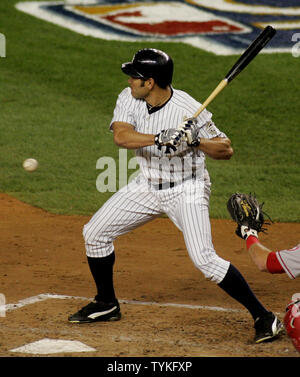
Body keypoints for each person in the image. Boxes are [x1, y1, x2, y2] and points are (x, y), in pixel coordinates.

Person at [68, 48, 283, 343]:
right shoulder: (128, 98)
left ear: (151, 82)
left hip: (187, 188)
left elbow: (226, 149)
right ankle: (106, 304)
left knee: (205, 259)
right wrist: (159, 137)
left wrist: (196, 141)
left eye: (136, 76)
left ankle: (264, 317)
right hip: (146, 185)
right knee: (94, 233)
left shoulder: (188, 108)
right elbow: (121, 136)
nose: (130, 80)